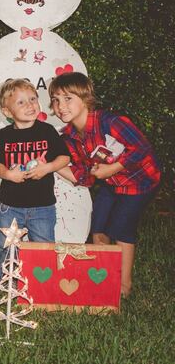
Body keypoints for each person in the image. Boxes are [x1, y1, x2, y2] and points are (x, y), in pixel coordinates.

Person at [50, 72, 160, 297]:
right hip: (112, 184)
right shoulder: (69, 136)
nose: (61, 106)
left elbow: (141, 148)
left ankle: (123, 288)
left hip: (140, 181)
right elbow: (85, 175)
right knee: (98, 228)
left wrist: (112, 168)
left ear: (86, 98)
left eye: (68, 98)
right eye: (56, 100)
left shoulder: (109, 122)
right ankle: (103, 279)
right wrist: (50, 165)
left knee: (121, 228)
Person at [0, 78, 71, 280]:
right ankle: (6, 282)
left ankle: (42, 283)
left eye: (33, 99)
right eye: (21, 102)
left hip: (43, 206)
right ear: (7, 112)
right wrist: (8, 174)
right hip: (11, 206)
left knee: (44, 245)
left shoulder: (47, 131)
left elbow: (64, 157)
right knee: (6, 246)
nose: (30, 105)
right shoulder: (3, 135)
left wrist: (47, 168)